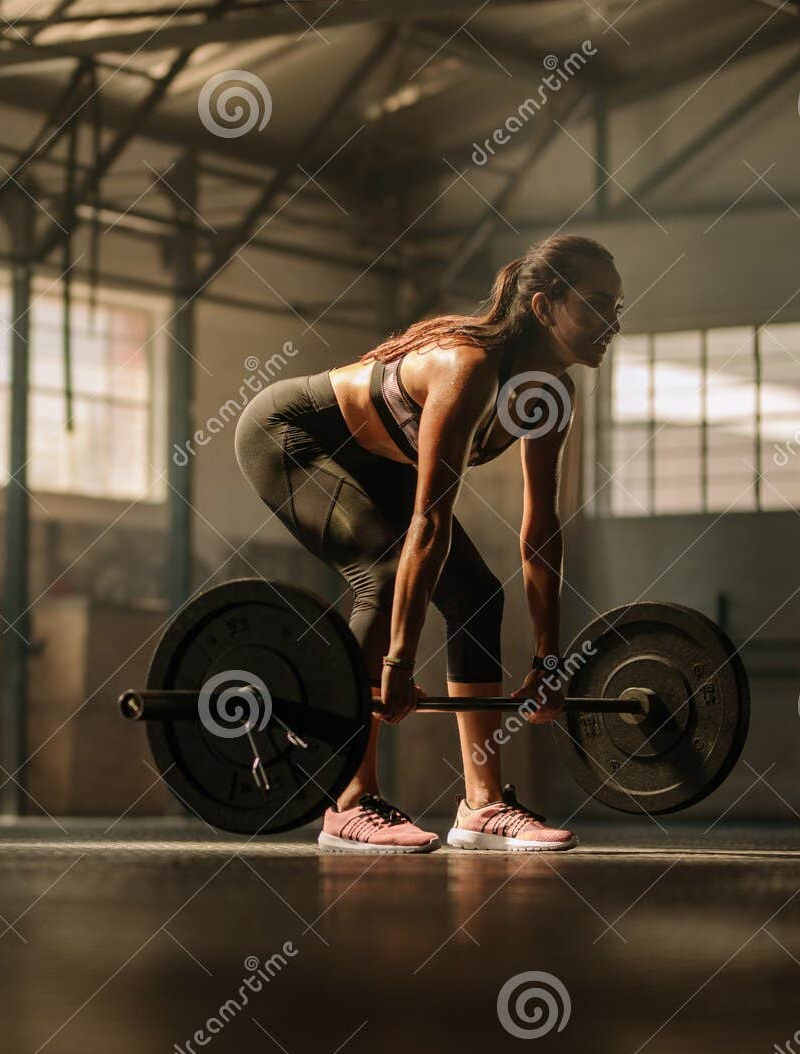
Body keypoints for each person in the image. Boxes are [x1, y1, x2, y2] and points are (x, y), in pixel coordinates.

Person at [234, 235, 622, 853]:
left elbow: (541, 532)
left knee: (477, 596)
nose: (612, 325)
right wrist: (396, 664)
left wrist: (548, 660)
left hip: (377, 457)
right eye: (599, 305)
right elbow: (431, 523)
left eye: (618, 311)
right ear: (546, 306)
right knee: (382, 573)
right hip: (290, 436)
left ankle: (483, 805)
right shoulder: (467, 368)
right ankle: (348, 802)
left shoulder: (553, 398)